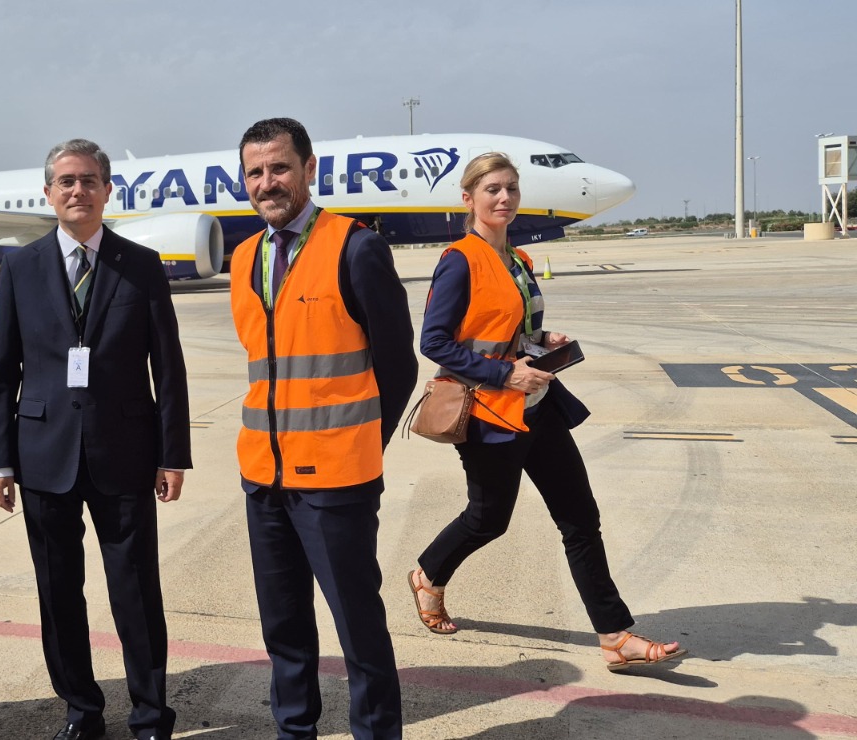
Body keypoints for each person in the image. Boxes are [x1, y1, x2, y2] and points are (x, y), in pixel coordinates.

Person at [408, 151, 686, 673]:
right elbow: (435, 342)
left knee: (580, 519)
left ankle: (614, 636)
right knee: (488, 519)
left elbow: (507, 331)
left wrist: (540, 341)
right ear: (468, 198)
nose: (504, 198)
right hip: (490, 415)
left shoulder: (518, 260)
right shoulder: (459, 260)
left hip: (538, 408)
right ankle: (428, 575)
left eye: (511, 188)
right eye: (492, 189)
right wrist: (504, 374)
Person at [0, 139, 191, 740]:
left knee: (136, 591)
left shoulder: (141, 264)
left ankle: (150, 715)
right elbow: (3, 370)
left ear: (107, 190)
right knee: (58, 594)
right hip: (42, 455)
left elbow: (167, 367)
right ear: (48, 193)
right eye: (66, 181)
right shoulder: (19, 267)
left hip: (124, 452)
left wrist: (172, 454)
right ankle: (82, 710)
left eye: (89, 180)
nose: (78, 190)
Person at [231, 117, 415, 740]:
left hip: (337, 481)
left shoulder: (355, 248)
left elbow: (397, 365)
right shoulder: (245, 257)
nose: (267, 182)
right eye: (255, 172)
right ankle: (295, 731)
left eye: (280, 167)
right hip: (264, 477)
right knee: (283, 628)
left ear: (309, 169)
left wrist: (358, 443)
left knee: (357, 627)